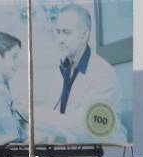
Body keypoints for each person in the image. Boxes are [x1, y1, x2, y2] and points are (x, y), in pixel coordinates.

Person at [37, 3, 126, 143]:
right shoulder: (62, 69)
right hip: (73, 151)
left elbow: (82, 127)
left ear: (84, 34)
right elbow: (53, 114)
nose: (60, 40)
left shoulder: (103, 74)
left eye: (66, 32)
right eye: (58, 32)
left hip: (102, 153)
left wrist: (32, 114)